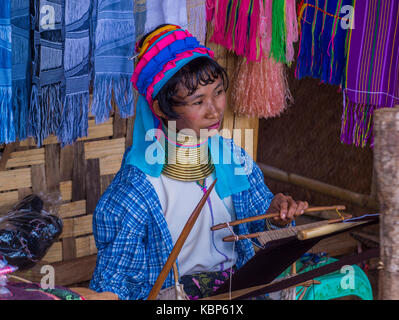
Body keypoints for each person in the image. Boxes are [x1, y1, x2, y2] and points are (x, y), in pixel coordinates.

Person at [88, 24, 309, 300]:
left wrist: (276, 217)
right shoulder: (138, 189)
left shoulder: (233, 158)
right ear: (161, 109)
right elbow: (114, 280)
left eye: (218, 92)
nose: (215, 109)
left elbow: (258, 229)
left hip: (239, 292)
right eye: (198, 101)